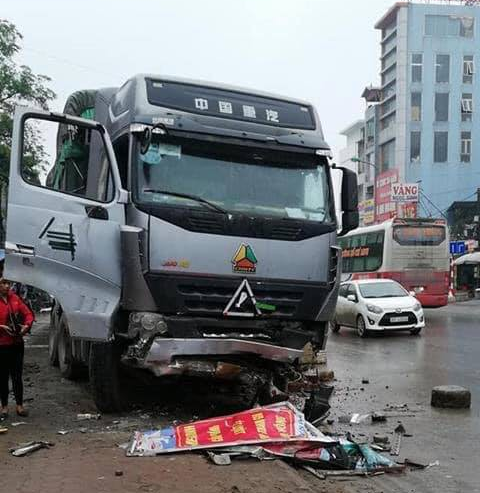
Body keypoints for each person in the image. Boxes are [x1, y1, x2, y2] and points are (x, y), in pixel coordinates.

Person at [0, 276, 34, 418]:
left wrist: (26, 325)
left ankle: (19, 406)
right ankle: (4, 407)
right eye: (3, 284)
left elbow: (28, 314)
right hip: (1, 344)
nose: (7, 286)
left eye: (8, 283)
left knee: (17, 375)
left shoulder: (15, 298)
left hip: (17, 344)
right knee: (2, 376)